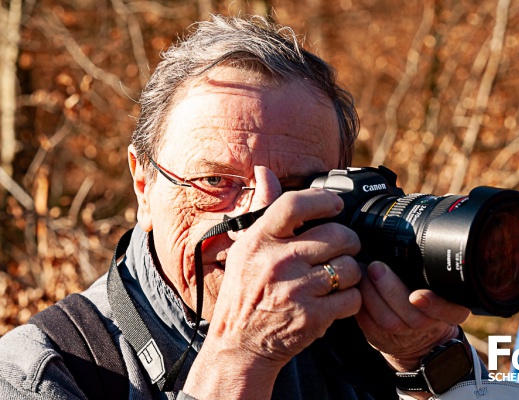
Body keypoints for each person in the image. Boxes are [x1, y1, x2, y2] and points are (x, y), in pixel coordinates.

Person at [0, 15, 473, 399]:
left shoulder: (365, 323)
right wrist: (237, 359)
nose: (263, 220)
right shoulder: (44, 371)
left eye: (300, 186)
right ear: (143, 186)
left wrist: (427, 362)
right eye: (215, 181)